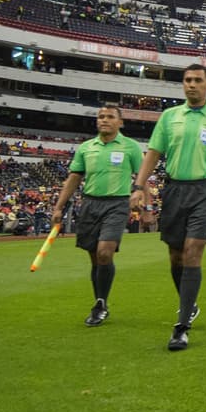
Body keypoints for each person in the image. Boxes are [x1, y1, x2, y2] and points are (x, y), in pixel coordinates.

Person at [131, 63, 206, 351]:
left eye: (197, 80)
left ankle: (181, 326)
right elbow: (153, 153)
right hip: (175, 189)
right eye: (187, 80)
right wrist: (138, 186)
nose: (191, 84)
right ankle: (188, 303)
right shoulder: (170, 117)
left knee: (193, 249)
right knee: (176, 255)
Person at [53, 104, 143, 327]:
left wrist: (145, 205)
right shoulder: (86, 148)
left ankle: (100, 303)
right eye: (101, 116)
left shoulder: (130, 147)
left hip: (117, 204)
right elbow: (74, 178)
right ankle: (100, 301)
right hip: (90, 203)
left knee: (105, 252)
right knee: (95, 257)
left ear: (120, 122)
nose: (104, 120)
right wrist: (59, 206)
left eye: (110, 116)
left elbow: (142, 177)